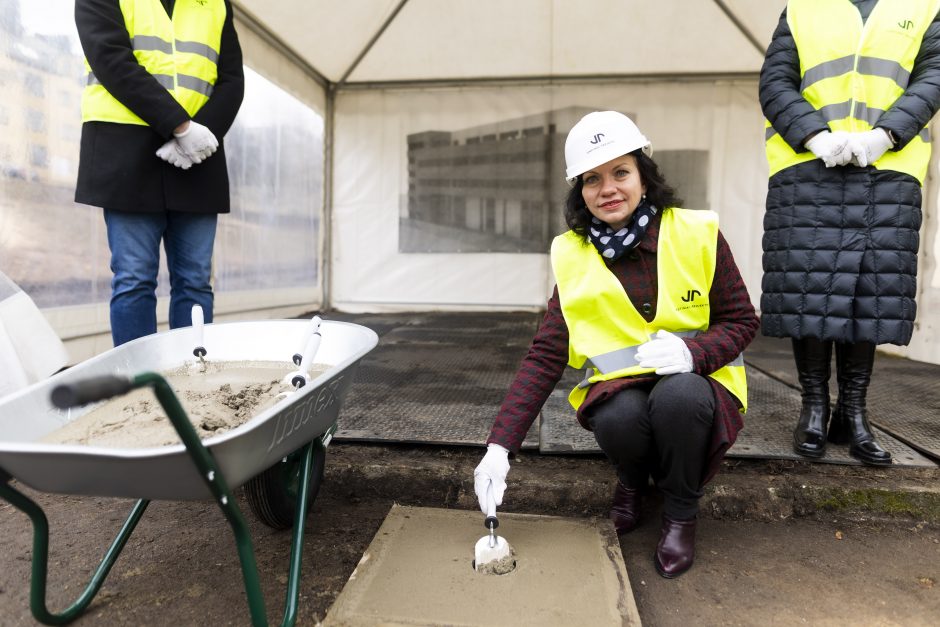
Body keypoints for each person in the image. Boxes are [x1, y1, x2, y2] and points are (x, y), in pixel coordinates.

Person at [472, 111, 759, 579]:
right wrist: (500, 448)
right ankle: (632, 482)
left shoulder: (696, 233)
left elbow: (741, 320)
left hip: (697, 385)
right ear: (580, 192)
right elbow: (546, 355)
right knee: (618, 416)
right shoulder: (573, 255)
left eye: (620, 172)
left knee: (679, 397)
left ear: (644, 176)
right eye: (592, 179)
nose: (608, 188)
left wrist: (693, 354)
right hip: (623, 392)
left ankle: (681, 510)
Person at [759, 0, 940, 465]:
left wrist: (885, 135)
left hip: (888, 167)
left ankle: (854, 412)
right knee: (810, 288)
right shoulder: (801, 8)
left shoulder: (925, 7)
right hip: (809, 166)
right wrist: (815, 136)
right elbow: (776, 82)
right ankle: (814, 408)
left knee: (871, 292)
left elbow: (934, 75)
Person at [74, 0, 244, 346]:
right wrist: (180, 127)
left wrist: (203, 133)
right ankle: (140, 390)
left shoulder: (215, 4)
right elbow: (110, 59)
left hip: (198, 156)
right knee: (134, 279)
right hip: (127, 153)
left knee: (196, 281)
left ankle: (191, 384)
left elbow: (232, 78)